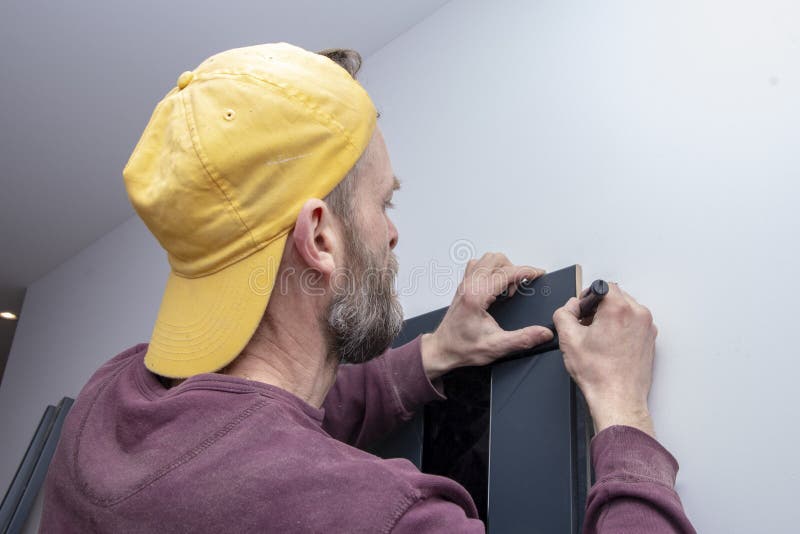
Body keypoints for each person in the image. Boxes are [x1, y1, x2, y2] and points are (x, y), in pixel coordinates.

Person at [39, 43, 696, 533]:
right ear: (320, 238)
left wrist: (437, 352)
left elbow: (262, 427)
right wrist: (622, 413)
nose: (391, 235)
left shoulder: (108, 400)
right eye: (386, 203)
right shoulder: (379, 516)